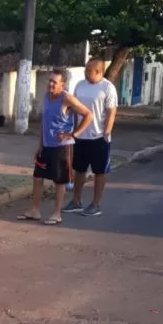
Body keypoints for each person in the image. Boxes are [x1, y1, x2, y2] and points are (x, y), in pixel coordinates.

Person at [17, 69, 93, 226]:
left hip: (61, 147)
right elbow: (45, 123)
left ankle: (57, 213)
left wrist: (73, 135)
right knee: (38, 178)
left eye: (54, 82)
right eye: (49, 81)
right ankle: (34, 210)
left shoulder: (67, 98)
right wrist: (40, 146)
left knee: (59, 181)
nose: (50, 84)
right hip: (46, 145)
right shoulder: (46, 96)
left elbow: (88, 115)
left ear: (62, 85)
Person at [64, 58, 119, 217]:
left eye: (89, 70)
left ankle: (96, 204)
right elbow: (74, 108)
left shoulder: (107, 88)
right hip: (81, 136)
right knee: (79, 170)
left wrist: (106, 133)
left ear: (98, 71)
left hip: (98, 138)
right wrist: (74, 130)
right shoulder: (80, 85)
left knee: (99, 171)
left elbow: (111, 113)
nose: (85, 72)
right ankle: (76, 201)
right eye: (85, 69)